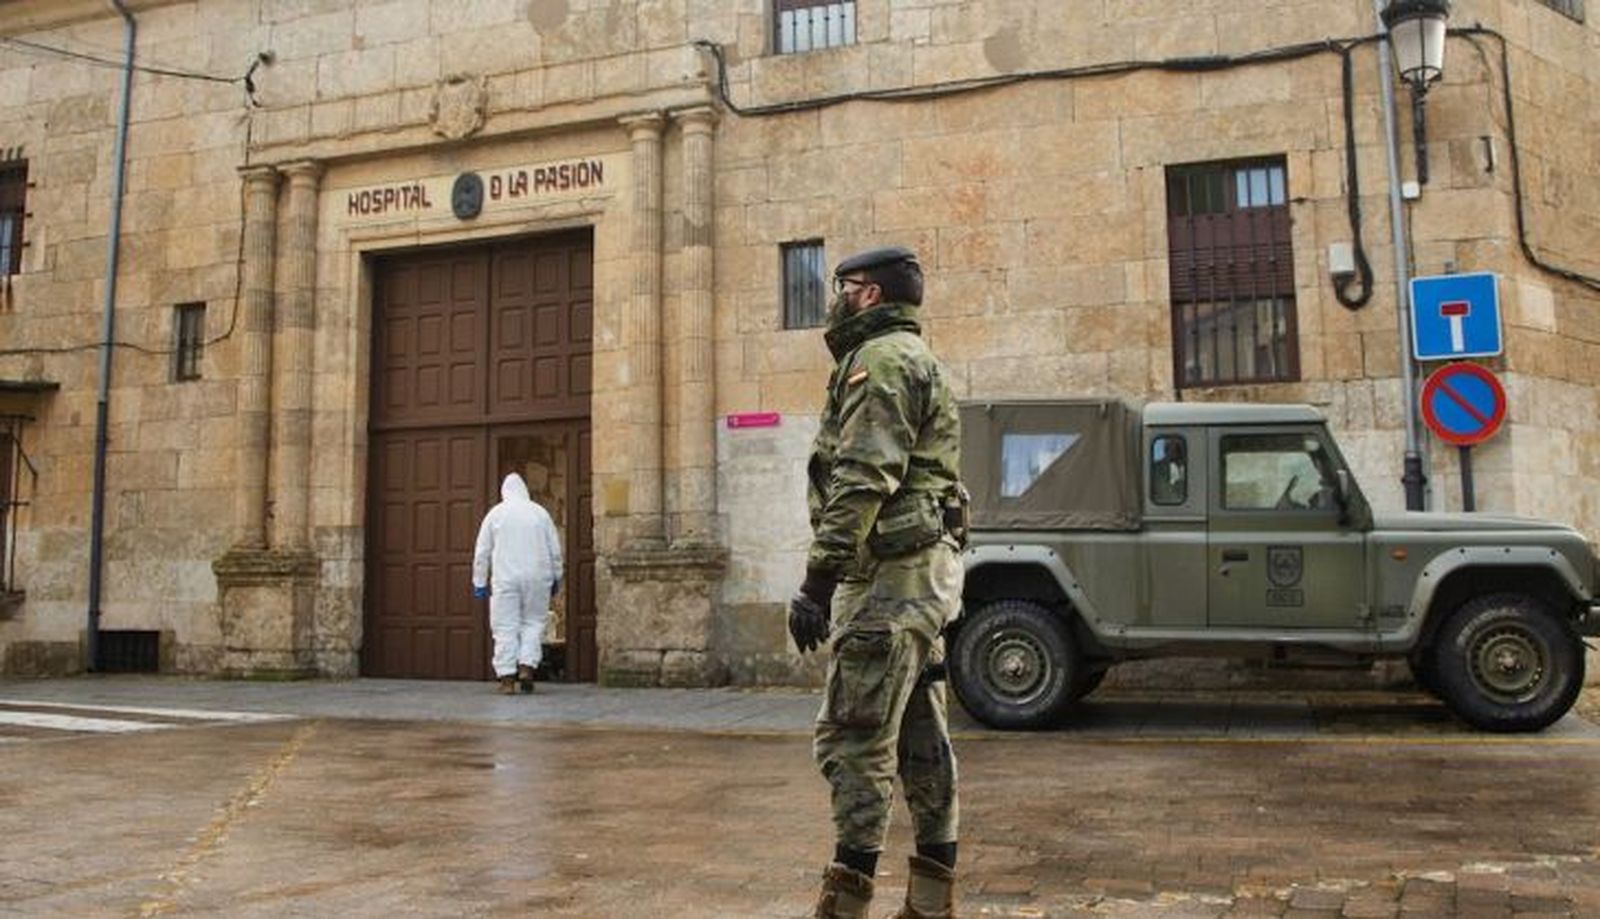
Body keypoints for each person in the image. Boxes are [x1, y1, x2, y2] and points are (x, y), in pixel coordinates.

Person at [789, 246, 967, 919]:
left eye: (841, 286)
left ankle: (845, 907)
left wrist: (816, 582)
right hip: (924, 580)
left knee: (854, 738)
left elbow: (862, 478)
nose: (832, 297)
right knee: (922, 737)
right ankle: (930, 903)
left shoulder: (882, 361)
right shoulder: (913, 358)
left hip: (890, 581)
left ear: (867, 294)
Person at [472, 472, 563, 694]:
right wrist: (556, 578)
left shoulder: (496, 514)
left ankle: (506, 677)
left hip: (506, 578)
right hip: (537, 578)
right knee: (533, 623)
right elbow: (555, 550)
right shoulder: (540, 514)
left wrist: (479, 581)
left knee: (505, 626)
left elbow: (482, 552)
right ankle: (526, 667)